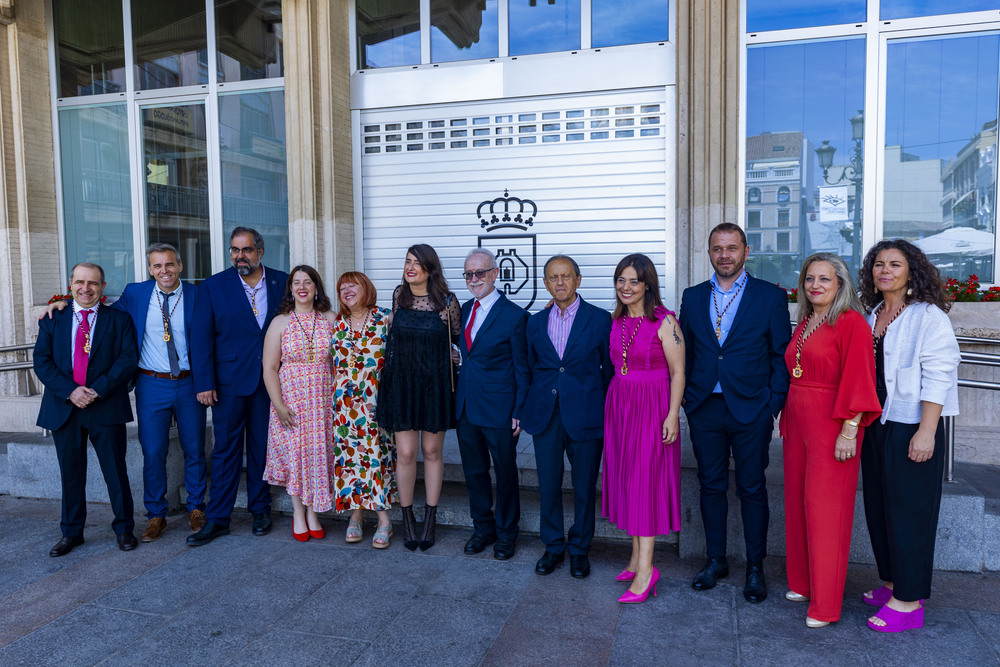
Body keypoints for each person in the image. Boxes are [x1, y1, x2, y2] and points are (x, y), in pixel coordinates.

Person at [42, 243, 209, 542]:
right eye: (157, 266)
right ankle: (156, 514)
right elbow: (93, 308)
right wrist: (61, 301)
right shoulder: (135, 293)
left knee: (194, 448)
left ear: (180, 266)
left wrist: (208, 380)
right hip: (151, 383)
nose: (164, 270)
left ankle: (197, 508)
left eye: (169, 264)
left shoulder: (199, 294)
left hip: (189, 381)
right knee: (153, 451)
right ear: (150, 269)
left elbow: (212, 337)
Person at [679, 222, 791, 603]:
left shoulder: (770, 297)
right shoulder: (692, 297)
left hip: (751, 408)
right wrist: (686, 401)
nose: (724, 255)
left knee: (752, 488)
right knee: (710, 485)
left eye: (732, 248)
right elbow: (686, 351)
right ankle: (716, 560)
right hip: (704, 407)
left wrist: (771, 405)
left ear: (745, 251)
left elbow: (780, 355)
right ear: (709, 253)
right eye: (717, 248)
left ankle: (755, 567)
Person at [857, 239, 961, 633]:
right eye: (879, 265)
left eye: (894, 264)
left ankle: (909, 601)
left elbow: (940, 373)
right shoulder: (874, 313)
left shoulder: (927, 316)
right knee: (881, 509)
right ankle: (892, 582)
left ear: (911, 271)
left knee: (909, 514)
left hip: (911, 426)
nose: (885, 270)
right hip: (877, 424)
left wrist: (927, 432)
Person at [780, 253, 881, 628]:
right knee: (798, 505)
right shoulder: (805, 320)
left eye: (824, 279)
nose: (816, 285)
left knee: (826, 512)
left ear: (840, 284)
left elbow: (858, 377)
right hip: (798, 421)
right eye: (810, 278)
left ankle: (826, 604)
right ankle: (804, 584)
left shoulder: (852, 322)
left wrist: (849, 429)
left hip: (832, 422)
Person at [188, 227, 289, 546]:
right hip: (228, 384)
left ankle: (261, 510)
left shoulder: (282, 281)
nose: (239, 256)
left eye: (246, 250)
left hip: (270, 382)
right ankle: (218, 518)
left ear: (260, 252)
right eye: (234, 250)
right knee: (225, 451)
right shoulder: (213, 286)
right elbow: (200, 337)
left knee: (262, 448)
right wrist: (204, 381)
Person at [34, 263, 139, 556]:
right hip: (64, 407)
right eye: (80, 282)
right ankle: (71, 533)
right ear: (71, 284)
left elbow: (128, 358)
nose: (86, 288)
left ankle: (124, 529)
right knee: (70, 472)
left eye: (93, 282)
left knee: (115, 472)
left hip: (105, 405)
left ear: (103, 286)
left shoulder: (119, 320)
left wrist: (96, 390)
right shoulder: (53, 318)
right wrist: (71, 391)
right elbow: (42, 362)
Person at [521, 255, 613, 580]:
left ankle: (579, 549)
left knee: (585, 485)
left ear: (578, 279)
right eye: (553, 277)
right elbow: (531, 369)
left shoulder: (601, 320)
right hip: (546, 414)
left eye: (566, 276)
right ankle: (553, 546)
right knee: (548, 483)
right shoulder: (534, 322)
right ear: (545, 283)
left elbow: (610, 370)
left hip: (587, 414)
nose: (560, 283)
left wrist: (605, 409)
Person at [602, 254, 685, 603]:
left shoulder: (666, 322)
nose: (626, 287)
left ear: (648, 284)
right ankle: (636, 559)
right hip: (621, 405)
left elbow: (679, 372)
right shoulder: (616, 320)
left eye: (634, 281)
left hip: (652, 407)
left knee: (645, 484)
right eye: (621, 280)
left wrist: (672, 415)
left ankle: (648, 572)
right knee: (627, 480)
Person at [377, 244, 461, 551]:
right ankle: (408, 520)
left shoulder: (448, 302)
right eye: (407, 261)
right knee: (407, 453)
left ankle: (430, 520)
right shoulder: (400, 296)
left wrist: (454, 357)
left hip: (434, 385)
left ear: (430, 268)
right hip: (402, 384)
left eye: (417, 263)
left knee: (431, 451)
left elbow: (457, 341)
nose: (410, 267)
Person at [455, 247, 529, 560]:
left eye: (480, 273)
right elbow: (467, 355)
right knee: (474, 472)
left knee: (505, 473)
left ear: (494, 274)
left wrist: (518, 411)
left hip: (499, 411)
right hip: (467, 407)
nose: (474, 279)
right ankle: (483, 528)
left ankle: (507, 533)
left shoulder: (515, 316)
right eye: (468, 274)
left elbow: (523, 369)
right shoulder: (463, 309)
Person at [262, 265, 338, 541]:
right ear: (291, 289)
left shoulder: (330, 318)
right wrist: (279, 406)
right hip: (291, 401)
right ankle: (298, 512)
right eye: (296, 283)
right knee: (296, 455)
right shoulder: (280, 322)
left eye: (308, 282)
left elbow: (342, 360)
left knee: (318, 455)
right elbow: (269, 367)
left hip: (323, 401)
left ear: (316, 288)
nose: (302, 287)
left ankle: (313, 513)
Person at [332, 271, 396, 548]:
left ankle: (384, 520)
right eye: (342, 286)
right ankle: (355, 516)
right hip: (344, 408)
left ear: (366, 288)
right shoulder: (335, 323)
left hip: (377, 404)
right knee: (350, 461)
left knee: (375, 459)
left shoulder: (386, 318)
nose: (346, 289)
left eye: (352, 285)